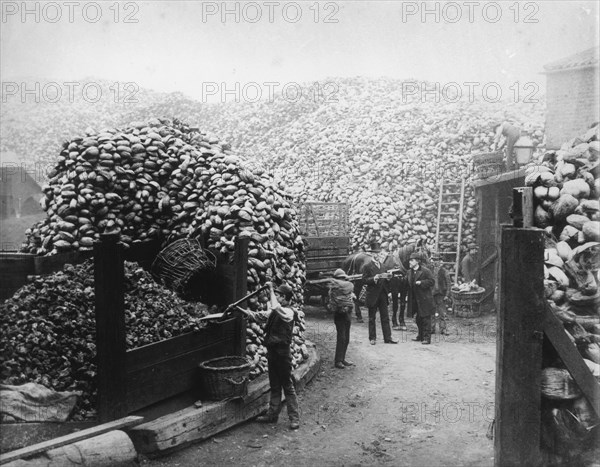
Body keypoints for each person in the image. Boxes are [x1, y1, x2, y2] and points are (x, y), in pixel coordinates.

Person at [254, 282, 300, 430]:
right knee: (274, 385)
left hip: (283, 353)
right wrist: (242, 311)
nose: (277, 298)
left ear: (285, 298)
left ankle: (294, 418)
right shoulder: (275, 311)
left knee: (287, 385)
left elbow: (275, 307)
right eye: (277, 295)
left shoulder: (289, 312)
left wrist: (271, 289)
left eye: (279, 296)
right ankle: (272, 415)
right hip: (272, 351)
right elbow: (260, 317)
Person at [362, 245, 398, 345]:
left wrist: (388, 279)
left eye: (379, 253)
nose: (378, 255)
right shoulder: (367, 266)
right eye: (376, 253)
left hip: (383, 294)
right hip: (372, 295)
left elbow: (386, 282)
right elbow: (364, 280)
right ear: (372, 254)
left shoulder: (383, 266)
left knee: (385, 317)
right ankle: (372, 338)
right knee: (371, 318)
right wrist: (373, 278)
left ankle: (388, 338)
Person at [328, 269, 356, 369]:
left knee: (346, 338)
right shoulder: (334, 290)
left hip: (347, 314)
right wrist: (344, 305)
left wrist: (348, 303)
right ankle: (338, 361)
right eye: (341, 278)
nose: (342, 280)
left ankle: (342, 359)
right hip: (339, 315)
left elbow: (350, 299)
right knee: (342, 338)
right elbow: (334, 303)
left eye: (343, 278)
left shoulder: (348, 289)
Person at [407, 252, 436, 345]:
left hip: (424, 299)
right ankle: (420, 336)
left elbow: (432, 281)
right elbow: (406, 282)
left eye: (412, 261)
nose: (410, 263)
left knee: (426, 319)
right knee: (418, 319)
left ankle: (427, 338)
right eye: (409, 261)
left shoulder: (425, 271)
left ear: (417, 261)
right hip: (414, 300)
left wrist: (422, 282)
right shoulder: (409, 272)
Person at [431, 253, 450, 336]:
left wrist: (447, 295)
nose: (435, 262)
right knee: (431, 312)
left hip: (441, 294)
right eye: (434, 260)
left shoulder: (444, 271)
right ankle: (431, 328)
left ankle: (443, 329)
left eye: (437, 260)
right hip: (431, 294)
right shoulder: (429, 271)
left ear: (440, 261)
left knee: (442, 313)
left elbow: (449, 284)